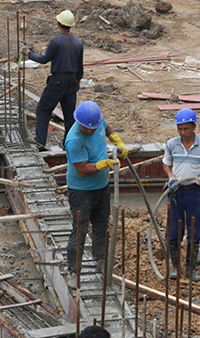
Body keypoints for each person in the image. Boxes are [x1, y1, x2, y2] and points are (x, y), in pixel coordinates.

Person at [64, 100, 128, 288]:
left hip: (101, 186)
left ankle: (100, 259)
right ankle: (73, 271)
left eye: (93, 127)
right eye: (87, 128)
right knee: (80, 230)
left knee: (101, 225)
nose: (91, 131)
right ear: (80, 123)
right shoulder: (74, 139)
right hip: (81, 191)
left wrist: (116, 139)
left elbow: (105, 126)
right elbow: (82, 169)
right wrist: (103, 164)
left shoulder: (96, 121)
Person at [163, 108, 200, 281]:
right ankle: (176, 268)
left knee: (194, 231)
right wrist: (171, 177)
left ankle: (190, 269)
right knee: (173, 231)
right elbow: (167, 164)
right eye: (180, 129)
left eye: (186, 129)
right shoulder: (171, 144)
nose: (183, 133)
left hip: (194, 192)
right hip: (176, 192)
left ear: (194, 127)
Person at [20, 10, 84, 151]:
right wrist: (77, 81)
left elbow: (44, 59)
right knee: (69, 115)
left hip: (57, 81)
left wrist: (28, 53)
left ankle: (40, 141)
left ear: (58, 24)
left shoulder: (56, 41)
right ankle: (68, 144)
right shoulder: (78, 42)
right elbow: (80, 66)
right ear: (70, 26)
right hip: (72, 81)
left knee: (43, 110)